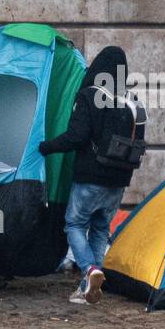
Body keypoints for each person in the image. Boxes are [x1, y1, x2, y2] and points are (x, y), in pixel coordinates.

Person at [38, 46, 145, 304]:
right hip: (119, 181)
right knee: (99, 229)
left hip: (91, 176)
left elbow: (77, 137)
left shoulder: (89, 96)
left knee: (74, 224)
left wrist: (46, 147)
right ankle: (88, 289)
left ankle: (88, 269)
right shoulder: (133, 102)